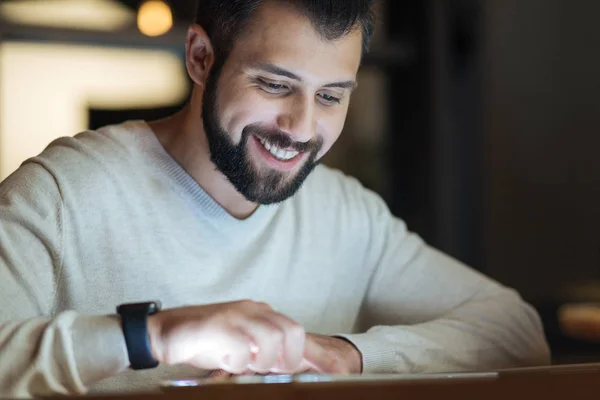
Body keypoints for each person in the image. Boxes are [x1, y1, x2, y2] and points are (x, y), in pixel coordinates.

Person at [0, 0, 550, 397]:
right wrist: (155, 335)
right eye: (275, 85)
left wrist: (350, 356)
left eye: (331, 96)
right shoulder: (61, 193)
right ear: (200, 57)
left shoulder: (344, 214)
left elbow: (516, 332)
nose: (302, 127)